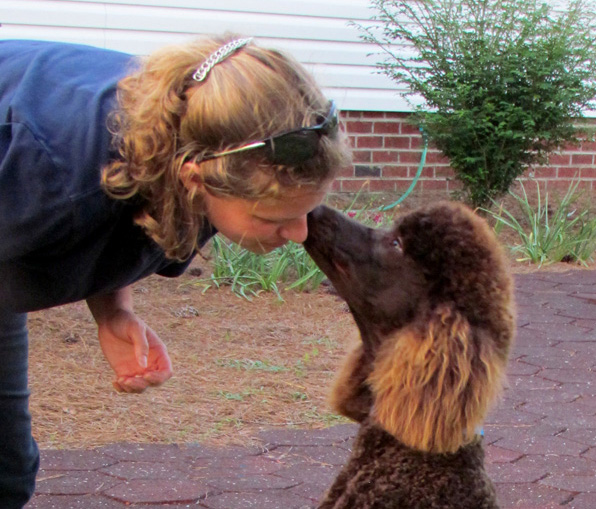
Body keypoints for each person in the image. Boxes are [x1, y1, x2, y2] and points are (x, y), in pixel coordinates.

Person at [0, 35, 351, 507]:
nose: (300, 233)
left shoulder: (204, 147)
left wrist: (113, 310)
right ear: (193, 179)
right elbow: (88, 196)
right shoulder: (48, 174)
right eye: (273, 218)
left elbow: (123, 214)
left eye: (306, 211)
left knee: (7, 472)